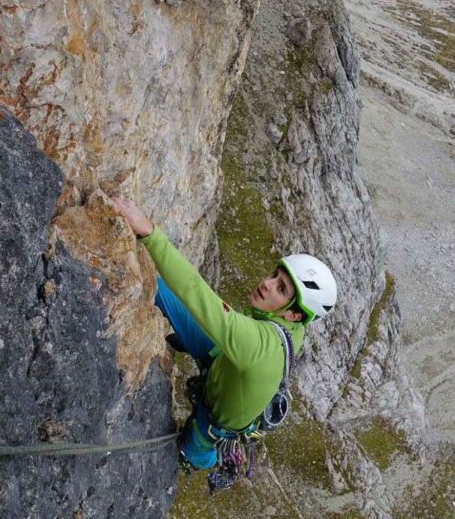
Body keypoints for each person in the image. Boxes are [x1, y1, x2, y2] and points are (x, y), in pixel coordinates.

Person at [112, 197, 338, 480]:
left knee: (188, 451)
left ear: (293, 315)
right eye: (274, 275)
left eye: (280, 289)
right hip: (221, 359)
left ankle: (211, 459)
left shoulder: (259, 345)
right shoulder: (294, 327)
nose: (266, 284)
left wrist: (149, 232)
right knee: (155, 288)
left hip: (216, 417)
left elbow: (197, 293)